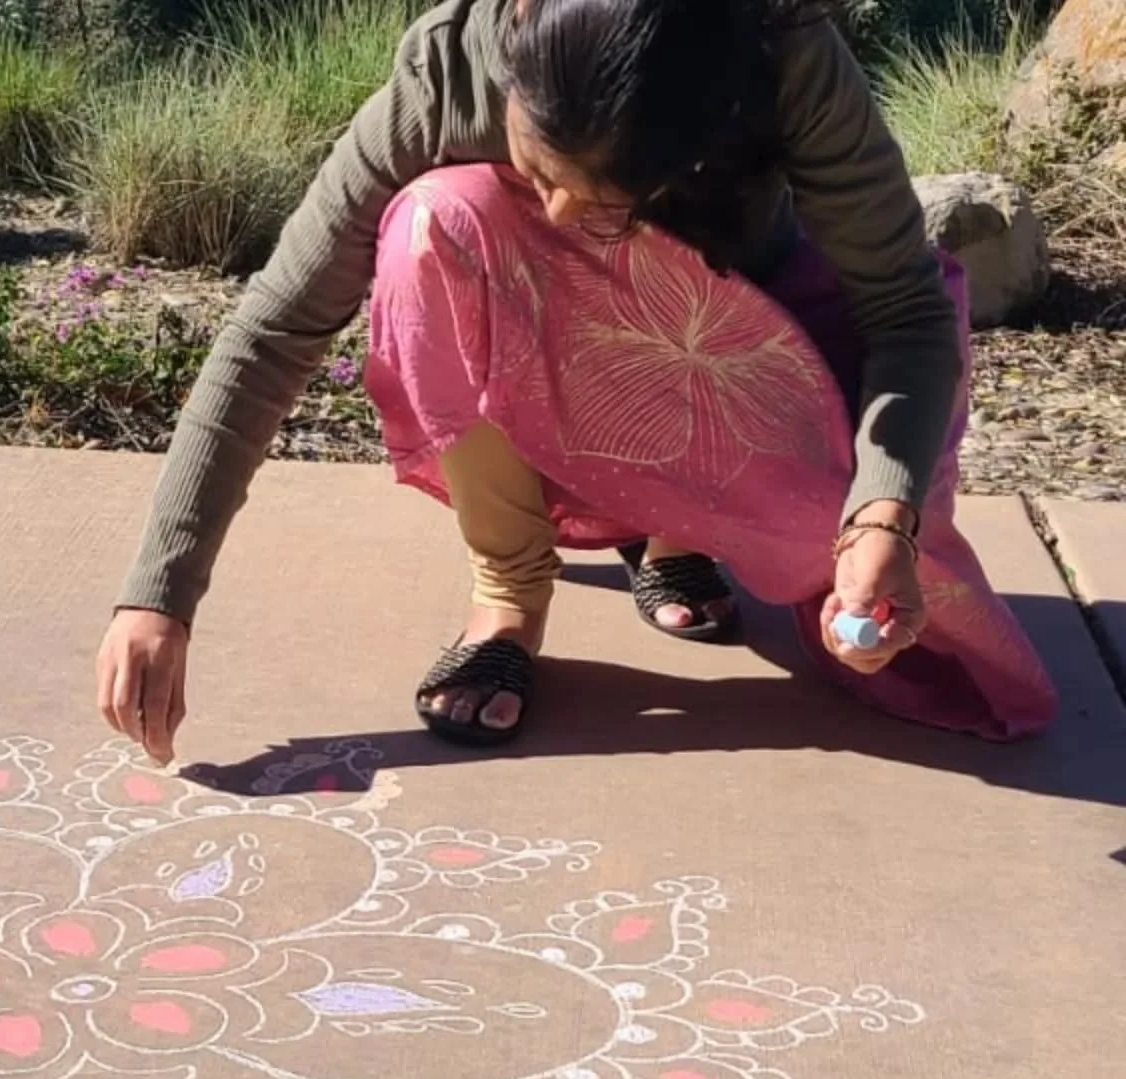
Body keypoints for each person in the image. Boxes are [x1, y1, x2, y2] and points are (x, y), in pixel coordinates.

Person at [97, 0, 1057, 758]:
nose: (557, 210)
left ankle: (675, 527)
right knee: (435, 220)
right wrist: (158, 593)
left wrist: (882, 518)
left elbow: (906, 314)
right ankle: (509, 593)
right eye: (540, 168)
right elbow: (275, 329)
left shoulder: (783, 52)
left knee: (841, 544)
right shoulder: (450, 65)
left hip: (744, 343)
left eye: (607, 192)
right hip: (586, 346)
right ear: (518, 25)